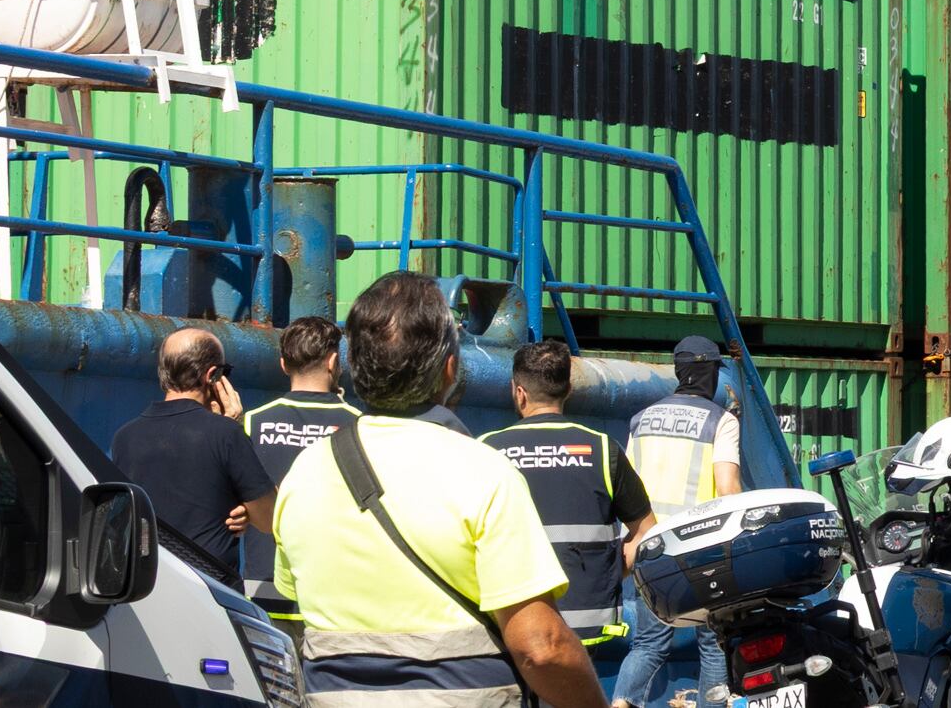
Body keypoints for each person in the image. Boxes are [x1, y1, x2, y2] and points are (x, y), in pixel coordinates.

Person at [274, 271, 603, 708]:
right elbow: (541, 648)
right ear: (449, 368)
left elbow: (297, 604)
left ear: (353, 366)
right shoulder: (483, 472)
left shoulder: (305, 472)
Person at [484, 339, 656, 653]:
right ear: (568, 390)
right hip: (584, 625)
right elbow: (646, 535)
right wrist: (607, 571)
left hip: (511, 623)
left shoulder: (487, 449)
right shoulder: (603, 450)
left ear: (518, 392)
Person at [614, 333, 745, 708]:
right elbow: (728, 490)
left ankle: (620, 704)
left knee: (649, 644)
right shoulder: (721, 421)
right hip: (700, 553)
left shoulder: (641, 419)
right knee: (713, 643)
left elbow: (627, 488)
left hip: (650, 549)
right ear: (708, 373)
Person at [109, 325, 276, 590]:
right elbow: (268, 519)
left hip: (146, 588)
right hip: (208, 591)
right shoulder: (226, 433)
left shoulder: (124, 437)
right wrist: (233, 424)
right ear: (212, 376)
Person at [239, 314, 359, 620]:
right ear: (333, 362)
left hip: (263, 589)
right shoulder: (359, 425)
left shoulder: (253, 421)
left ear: (283, 364)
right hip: (333, 601)